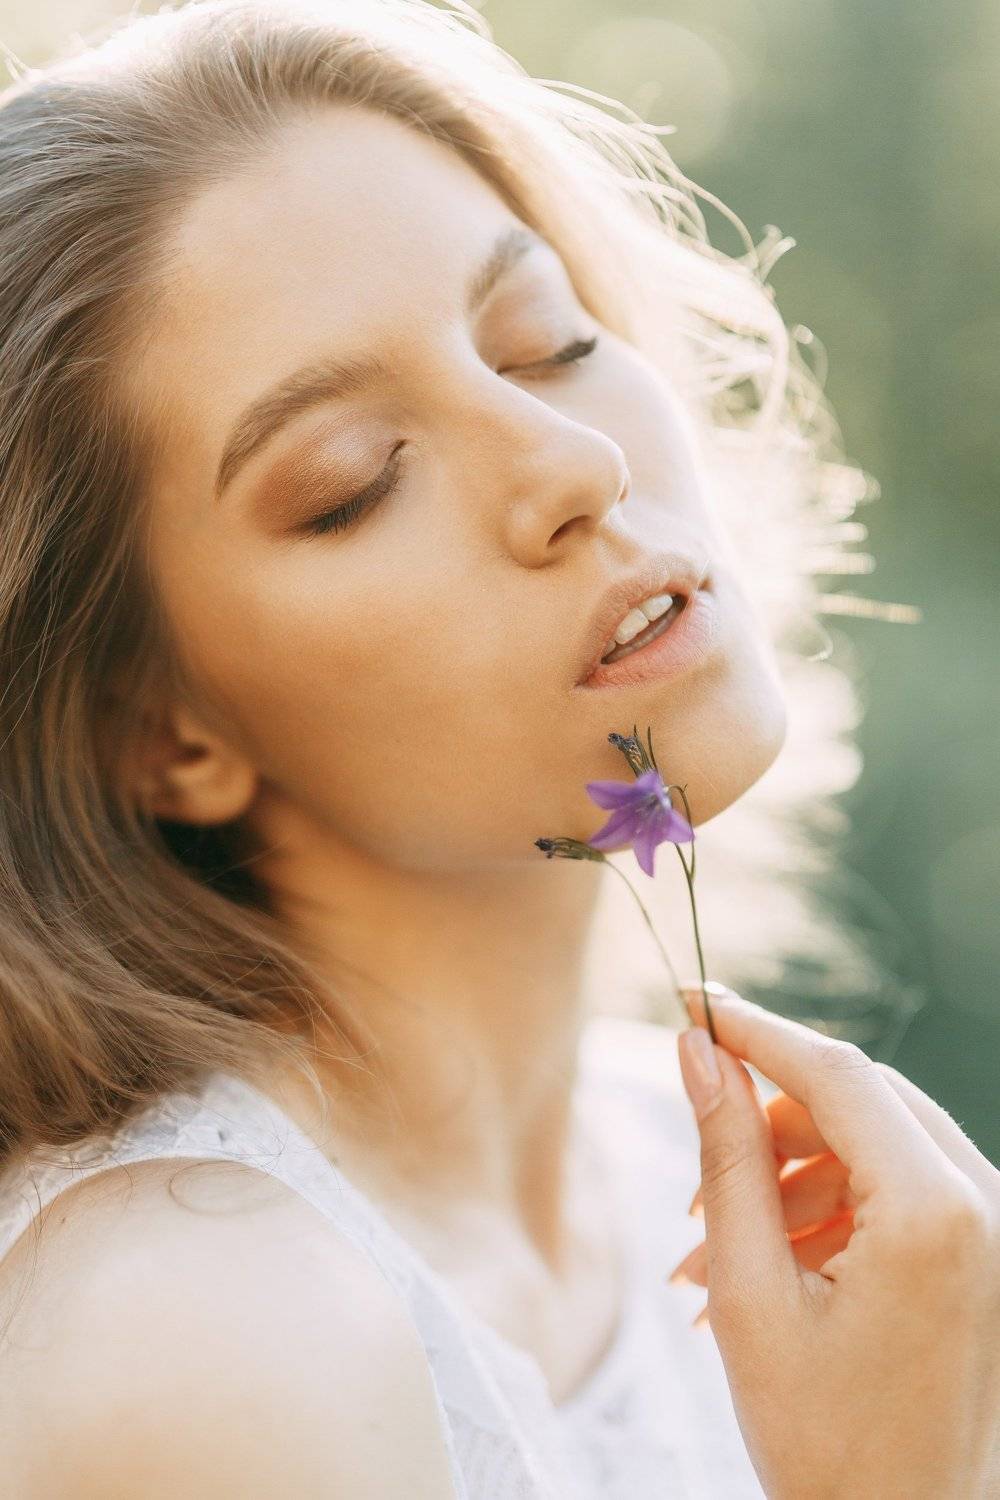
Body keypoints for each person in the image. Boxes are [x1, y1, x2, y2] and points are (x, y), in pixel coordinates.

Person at [0, 1, 996, 1494]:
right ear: (162, 733)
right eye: (352, 483)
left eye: (545, 343)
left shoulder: (708, 1184)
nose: (578, 467)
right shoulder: (198, 1338)